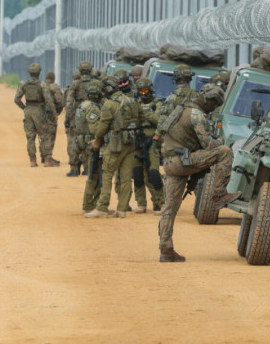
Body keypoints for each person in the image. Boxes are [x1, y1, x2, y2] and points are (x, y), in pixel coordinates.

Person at [156, 83, 239, 262]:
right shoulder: (197, 115)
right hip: (183, 162)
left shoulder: (179, 109)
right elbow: (208, 144)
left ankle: (166, 249)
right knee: (224, 151)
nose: (212, 108)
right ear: (208, 99)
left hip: (170, 162)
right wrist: (220, 141)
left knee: (169, 209)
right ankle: (219, 195)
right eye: (213, 105)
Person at [84, 74, 141, 219]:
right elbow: (139, 118)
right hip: (131, 142)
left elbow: (102, 127)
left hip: (115, 144)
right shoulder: (132, 101)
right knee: (126, 177)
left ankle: (102, 207)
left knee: (107, 173)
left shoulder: (109, 104)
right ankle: (122, 209)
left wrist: (97, 140)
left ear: (108, 89)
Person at [13, 63, 59, 167]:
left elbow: (16, 99)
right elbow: (49, 101)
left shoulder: (24, 85)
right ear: (39, 73)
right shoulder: (42, 85)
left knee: (30, 137)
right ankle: (47, 159)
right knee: (45, 135)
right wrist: (54, 114)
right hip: (39, 111)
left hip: (28, 111)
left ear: (30, 73)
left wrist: (24, 108)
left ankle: (32, 161)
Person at [132, 76, 164, 214]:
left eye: (145, 91)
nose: (143, 95)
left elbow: (158, 120)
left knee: (154, 173)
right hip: (136, 141)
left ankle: (160, 203)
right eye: (140, 92)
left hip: (152, 142)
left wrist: (143, 115)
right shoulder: (134, 103)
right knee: (137, 173)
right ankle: (141, 203)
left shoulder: (158, 104)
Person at [65, 61, 100, 176]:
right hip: (92, 116)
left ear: (80, 70)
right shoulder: (96, 83)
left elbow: (69, 103)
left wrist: (68, 118)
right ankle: (87, 168)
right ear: (91, 70)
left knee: (74, 142)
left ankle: (74, 168)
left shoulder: (75, 84)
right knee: (89, 140)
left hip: (77, 116)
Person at [77, 81, 105, 213]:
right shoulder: (93, 108)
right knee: (95, 175)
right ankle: (89, 205)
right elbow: (94, 128)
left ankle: (91, 204)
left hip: (84, 142)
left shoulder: (82, 105)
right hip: (92, 144)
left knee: (94, 174)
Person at [43, 71, 65, 163]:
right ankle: (48, 157)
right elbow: (61, 101)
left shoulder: (41, 86)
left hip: (40, 113)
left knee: (43, 135)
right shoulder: (54, 87)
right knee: (51, 135)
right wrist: (57, 113)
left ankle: (43, 156)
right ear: (53, 78)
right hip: (51, 113)